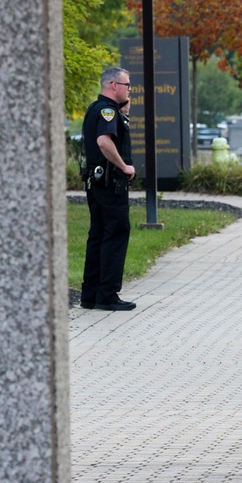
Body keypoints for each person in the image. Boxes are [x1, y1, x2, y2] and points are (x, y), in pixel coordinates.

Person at [80, 65, 137, 312]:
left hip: (96, 183)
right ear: (114, 85)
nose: (130, 90)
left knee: (98, 235)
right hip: (110, 185)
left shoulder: (96, 109)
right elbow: (104, 142)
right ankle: (107, 295)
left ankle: (90, 295)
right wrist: (124, 167)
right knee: (115, 233)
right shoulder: (107, 112)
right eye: (127, 86)